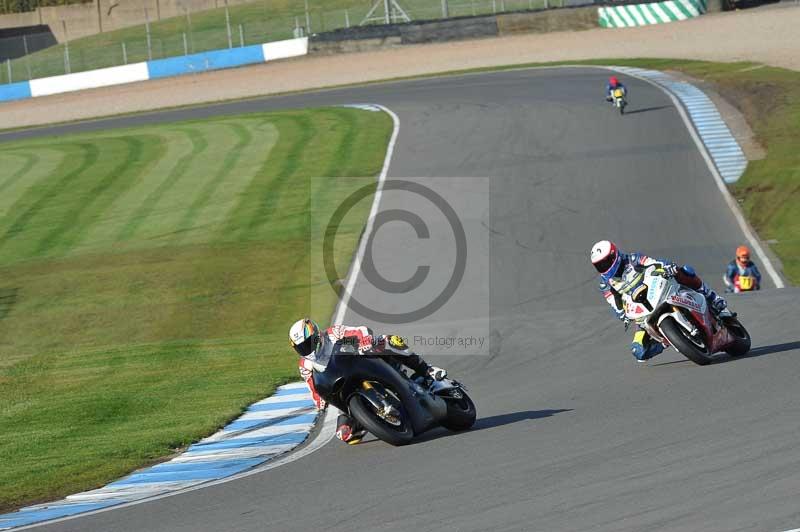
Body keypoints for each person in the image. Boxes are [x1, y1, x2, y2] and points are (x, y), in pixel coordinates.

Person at [289, 318, 447, 445]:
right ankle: (369, 419)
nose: (306, 350)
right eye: (301, 348)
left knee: (386, 341)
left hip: (361, 364)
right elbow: (313, 386)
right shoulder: (306, 365)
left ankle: (426, 370)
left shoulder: (333, 335)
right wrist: (319, 401)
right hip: (343, 386)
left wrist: (364, 341)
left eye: (308, 343)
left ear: (317, 335)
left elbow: (360, 331)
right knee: (345, 434)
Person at [590, 240, 728, 362]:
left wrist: (665, 267)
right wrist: (622, 315)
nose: (604, 267)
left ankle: (711, 296)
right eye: (600, 266)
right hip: (642, 313)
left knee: (683, 271)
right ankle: (668, 340)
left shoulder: (632, 259)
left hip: (659, 289)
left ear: (615, 256)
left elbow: (654, 263)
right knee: (638, 351)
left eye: (606, 262)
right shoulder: (605, 284)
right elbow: (614, 303)